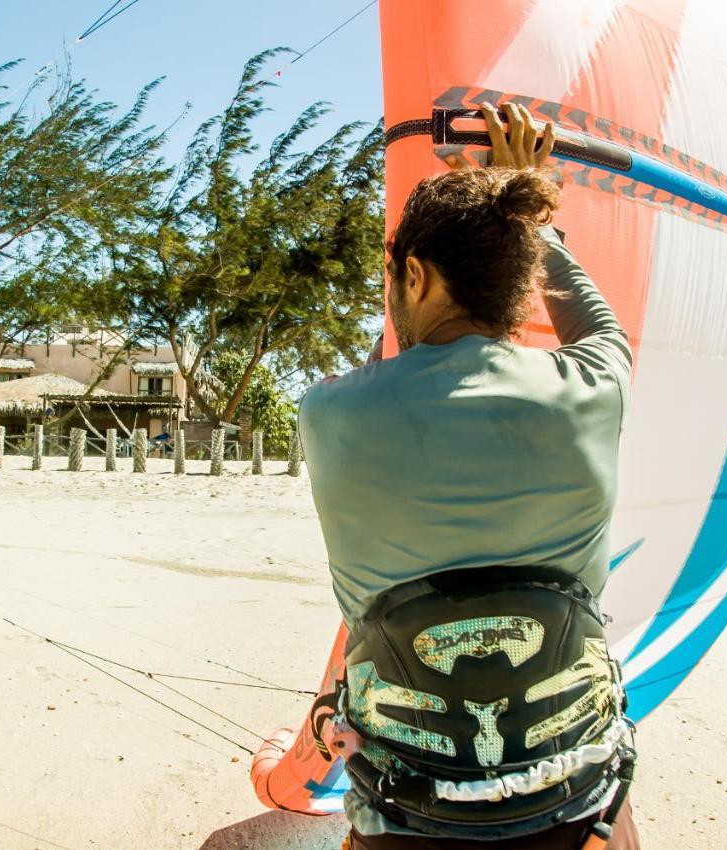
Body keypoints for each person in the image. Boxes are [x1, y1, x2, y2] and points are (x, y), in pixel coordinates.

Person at [297, 102, 641, 850]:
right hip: (573, 807)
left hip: (408, 817)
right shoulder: (598, 383)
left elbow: (394, 370)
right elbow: (598, 323)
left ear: (413, 274)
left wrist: (511, 201)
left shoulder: (329, 413)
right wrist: (532, 212)